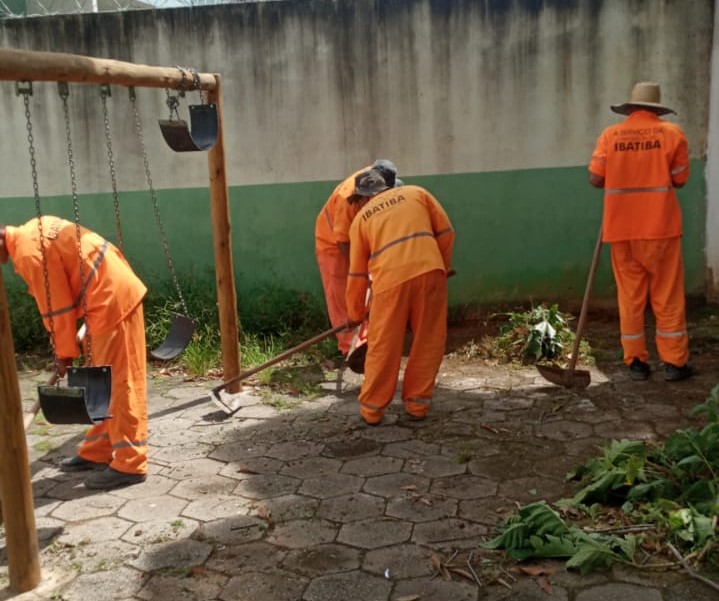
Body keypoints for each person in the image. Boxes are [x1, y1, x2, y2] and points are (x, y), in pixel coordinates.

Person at [0, 215, 149, 489]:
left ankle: (130, 463)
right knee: (100, 380)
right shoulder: (32, 229)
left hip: (111, 297)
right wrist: (66, 348)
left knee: (119, 382)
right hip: (102, 294)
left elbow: (57, 308)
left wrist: (64, 353)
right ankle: (98, 451)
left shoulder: (27, 253)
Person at [588, 81, 693, 382]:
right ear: (657, 108)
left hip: (620, 230)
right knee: (667, 296)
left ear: (631, 108)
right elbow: (681, 179)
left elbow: (595, 179)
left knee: (630, 297)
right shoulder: (672, 134)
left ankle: (635, 361)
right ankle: (674, 363)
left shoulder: (610, 136)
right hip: (661, 229)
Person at [346, 170, 455, 424]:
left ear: (363, 198)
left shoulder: (361, 219)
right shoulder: (418, 193)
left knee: (384, 345)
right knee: (428, 340)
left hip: (390, 284)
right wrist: (442, 267)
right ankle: (417, 405)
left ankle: (372, 411)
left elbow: (357, 275)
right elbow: (446, 233)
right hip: (430, 272)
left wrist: (355, 314)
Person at [314, 159, 397, 356]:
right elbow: (342, 240)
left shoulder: (380, 182)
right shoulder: (348, 197)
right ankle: (348, 348)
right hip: (333, 245)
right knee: (342, 295)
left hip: (360, 240)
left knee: (367, 290)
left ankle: (366, 339)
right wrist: (358, 269)